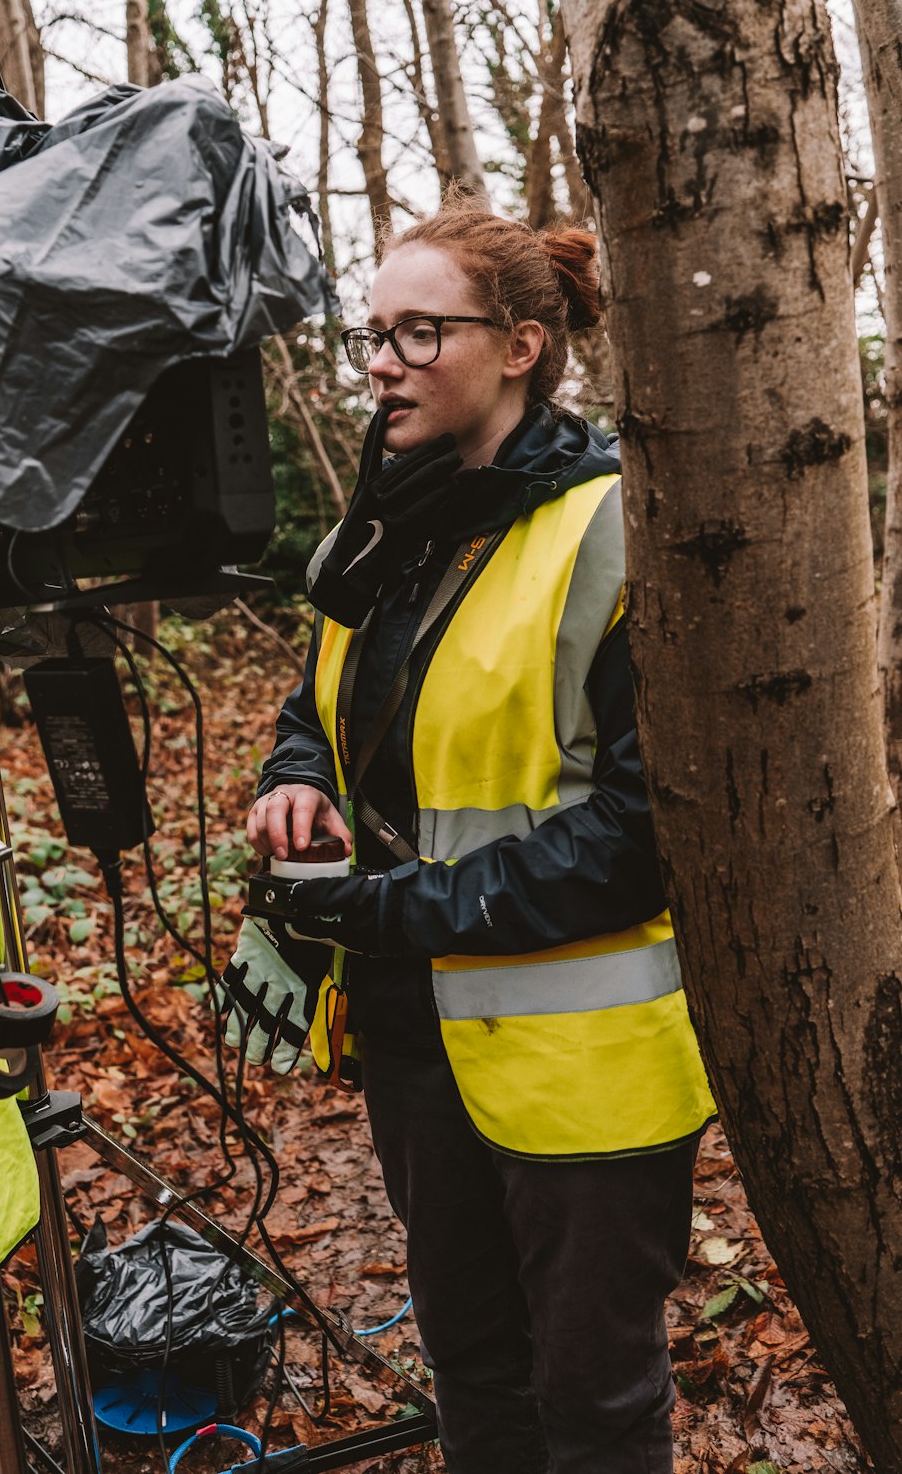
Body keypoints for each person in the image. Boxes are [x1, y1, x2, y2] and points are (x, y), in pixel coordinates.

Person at [230, 202, 716, 1473]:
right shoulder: (381, 529)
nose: (381, 360)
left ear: (519, 346)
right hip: (414, 1037)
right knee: (473, 1379)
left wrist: (396, 911)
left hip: (583, 1070)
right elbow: (312, 707)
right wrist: (296, 781)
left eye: (418, 332)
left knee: (597, 1404)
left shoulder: (610, 528)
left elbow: (641, 834)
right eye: (372, 334)